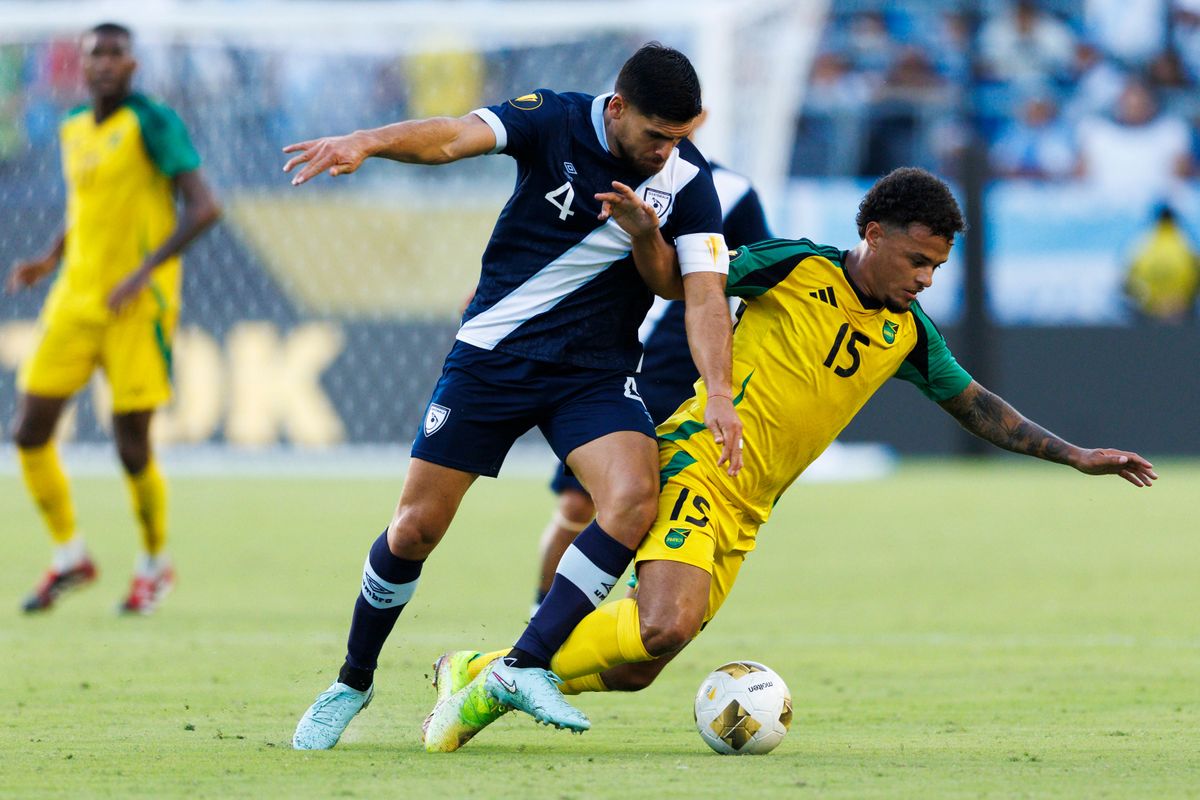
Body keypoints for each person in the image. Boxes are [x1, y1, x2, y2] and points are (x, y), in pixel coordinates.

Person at [421, 167, 1157, 752]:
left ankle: (480, 670)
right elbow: (683, 284)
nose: (926, 279)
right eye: (917, 260)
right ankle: (501, 677)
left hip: (751, 505)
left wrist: (1074, 455)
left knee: (639, 667)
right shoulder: (794, 266)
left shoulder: (909, 335)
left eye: (935, 267)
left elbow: (979, 406)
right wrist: (647, 238)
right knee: (665, 625)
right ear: (872, 233)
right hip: (700, 460)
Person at [284, 43, 744, 749]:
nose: (666, 152)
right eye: (655, 135)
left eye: (680, 137)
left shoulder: (688, 179)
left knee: (632, 497)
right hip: (494, 357)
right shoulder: (553, 118)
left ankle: (524, 664)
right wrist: (367, 142)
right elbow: (451, 137)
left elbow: (695, 292)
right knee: (415, 528)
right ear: (617, 109)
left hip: (592, 374)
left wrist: (717, 387)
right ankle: (352, 680)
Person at [6, 23, 221, 615]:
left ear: (132, 64)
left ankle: (155, 563)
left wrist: (143, 271)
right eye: (93, 54)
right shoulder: (73, 125)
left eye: (115, 53)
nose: (103, 63)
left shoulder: (152, 122)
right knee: (28, 432)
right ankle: (70, 555)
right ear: (80, 64)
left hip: (136, 308)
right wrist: (49, 258)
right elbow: (89, 207)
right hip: (74, 301)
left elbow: (206, 207)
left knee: (130, 447)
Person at [528, 156, 772, 619]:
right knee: (578, 503)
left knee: (656, 504)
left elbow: (762, 272)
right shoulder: (595, 172)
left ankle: (624, 629)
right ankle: (539, 620)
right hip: (604, 355)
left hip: (679, 369)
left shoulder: (731, 191)